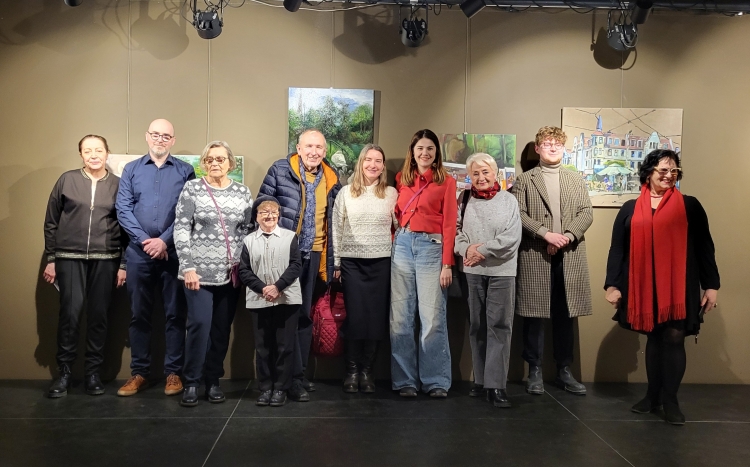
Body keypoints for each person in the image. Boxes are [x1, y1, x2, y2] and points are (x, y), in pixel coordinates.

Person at [604, 149, 719, 425]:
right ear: (648, 173)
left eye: (674, 171)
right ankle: (652, 396)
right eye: (663, 170)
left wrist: (711, 286)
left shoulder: (690, 205)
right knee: (654, 339)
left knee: (674, 338)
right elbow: (617, 249)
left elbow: (705, 247)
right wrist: (612, 285)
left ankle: (671, 401)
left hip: (679, 287)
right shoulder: (630, 208)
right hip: (643, 286)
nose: (669, 175)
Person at [258, 129, 341, 402]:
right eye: (309, 146)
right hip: (284, 255)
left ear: (325, 151)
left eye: (319, 147)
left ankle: (298, 377)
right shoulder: (280, 170)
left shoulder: (331, 178)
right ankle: (281, 380)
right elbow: (261, 207)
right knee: (283, 319)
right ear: (298, 148)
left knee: (304, 317)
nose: (313, 152)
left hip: (315, 254)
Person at [42, 135, 127, 397]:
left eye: (98, 150)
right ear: (81, 154)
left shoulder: (118, 184)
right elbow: (51, 222)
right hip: (69, 257)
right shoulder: (66, 180)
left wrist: (123, 264)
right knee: (70, 314)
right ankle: (65, 373)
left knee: (99, 316)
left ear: (107, 153)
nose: (93, 155)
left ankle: (93, 373)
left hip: (106, 259)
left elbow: (126, 227)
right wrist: (52, 258)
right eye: (87, 150)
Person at [116, 119, 195, 397]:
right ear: (147, 137)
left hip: (173, 254)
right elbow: (123, 209)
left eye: (166, 136)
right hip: (138, 255)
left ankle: (174, 373)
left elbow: (188, 212)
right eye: (156, 134)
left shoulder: (185, 171)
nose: (160, 139)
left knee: (175, 314)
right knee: (139, 315)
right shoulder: (131, 169)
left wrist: (164, 241)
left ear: (173, 140)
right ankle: (139, 373)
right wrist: (146, 242)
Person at [512, 126, 593, 396]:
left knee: (565, 314)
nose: (553, 147)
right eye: (547, 143)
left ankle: (564, 370)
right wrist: (546, 234)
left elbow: (586, 213)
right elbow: (519, 214)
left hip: (568, 255)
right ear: (537, 149)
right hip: (536, 254)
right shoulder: (525, 180)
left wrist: (565, 237)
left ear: (564, 148)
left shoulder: (575, 179)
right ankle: (534, 370)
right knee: (534, 316)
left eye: (557, 143)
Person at [174, 141, 253, 407]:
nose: (215, 163)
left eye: (220, 159)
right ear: (203, 163)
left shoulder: (242, 192)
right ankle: (191, 382)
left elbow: (247, 230)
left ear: (230, 163)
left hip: (230, 274)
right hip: (197, 274)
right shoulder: (192, 188)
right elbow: (181, 228)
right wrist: (188, 267)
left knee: (220, 330)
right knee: (198, 326)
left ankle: (213, 380)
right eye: (209, 159)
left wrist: (245, 266)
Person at [391, 129, 457, 398]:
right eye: (420, 148)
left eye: (430, 148)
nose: (425, 153)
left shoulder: (446, 182)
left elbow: (450, 224)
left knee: (432, 317)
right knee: (401, 317)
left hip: (432, 248)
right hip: (403, 246)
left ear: (436, 152)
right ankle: (404, 380)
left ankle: (436, 380)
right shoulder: (401, 179)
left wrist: (447, 264)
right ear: (413, 151)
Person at [454, 153, 522, 408]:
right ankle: (481, 381)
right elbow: (456, 231)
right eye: (475, 173)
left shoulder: (509, 201)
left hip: (502, 272)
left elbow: (511, 238)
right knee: (477, 325)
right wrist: (466, 250)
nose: (481, 177)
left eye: (485, 172)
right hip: (472, 271)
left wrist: (481, 251)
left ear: (495, 174)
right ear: (470, 176)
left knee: (499, 327)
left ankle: (496, 386)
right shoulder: (464, 199)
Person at [331, 144, 398, 393]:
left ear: (383, 166)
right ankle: (351, 371)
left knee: (376, 319)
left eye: (378, 161)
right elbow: (337, 228)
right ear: (361, 163)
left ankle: (368, 372)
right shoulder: (346, 193)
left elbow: (400, 226)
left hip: (382, 262)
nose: (373, 165)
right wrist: (337, 263)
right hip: (352, 264)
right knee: (356, 318)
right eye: (368, 160)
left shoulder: (391, 193)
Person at [239, 197, 302, 407]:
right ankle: (265, 388)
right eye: (264, 212)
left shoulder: (290, 237)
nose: (269, 216)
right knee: (263, 347)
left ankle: (281, 388)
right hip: (259, 300)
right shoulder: (248, 241)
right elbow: (244, 270)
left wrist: (278, 286)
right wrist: (262, 288)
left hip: (287, 299)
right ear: (256, 217)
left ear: (279, 215)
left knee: (284, 347)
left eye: (273, 212)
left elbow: (296, 265)